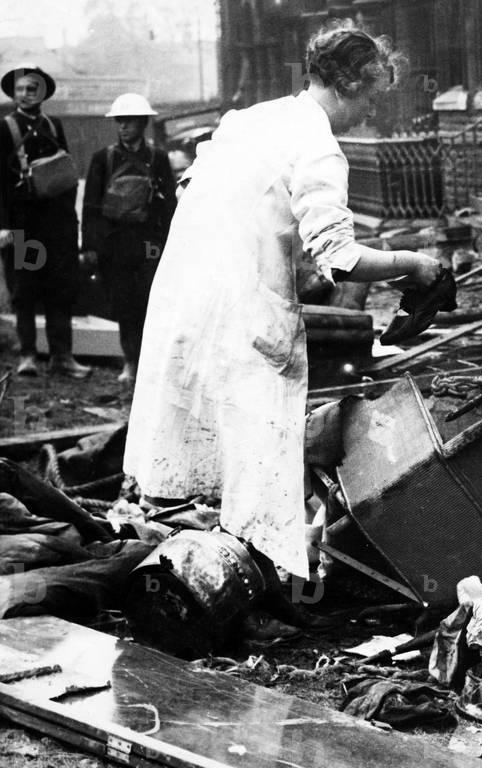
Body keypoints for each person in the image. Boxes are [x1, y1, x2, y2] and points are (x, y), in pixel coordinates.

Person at [123, 25, 453, 577]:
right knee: (263, 453)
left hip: (187, 292)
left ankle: (227, 566)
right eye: (372, 95)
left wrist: (273, 247)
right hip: (243, 309)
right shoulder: (320, 147)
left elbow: (192, 188)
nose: (371, 113)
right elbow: (342, 258)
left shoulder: (252, 119)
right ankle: (269, 584)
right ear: (348, 80)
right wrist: (414, 265)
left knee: (233, 443)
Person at [0, 63, 90, 378]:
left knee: (60, 287)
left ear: (41, 94)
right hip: (23, 226)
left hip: (57, 225)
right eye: (20, 89)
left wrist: (70, 220)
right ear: (13, 94)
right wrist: (3, 227)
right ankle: (27, 355)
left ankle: (62, 356)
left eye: (32, 88)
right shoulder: (5, 128)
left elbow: (65, 175)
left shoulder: (54, 126)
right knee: (25, 287)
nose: (25, 94)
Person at [82, 93, 176, 385]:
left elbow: (170, 204)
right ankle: (130, 362)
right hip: (116, 243)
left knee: (151, 302)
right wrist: (91, 247)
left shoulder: (158, 158)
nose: (123, 127)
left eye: (130, 121)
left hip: (148, 243)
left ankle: (151, 364)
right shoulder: (103, 158)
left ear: (143, 123)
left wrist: (170, 244)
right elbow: (91, 206)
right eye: (120, 121)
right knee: (123, 304)